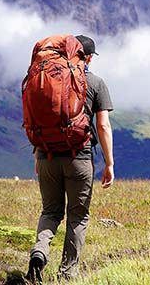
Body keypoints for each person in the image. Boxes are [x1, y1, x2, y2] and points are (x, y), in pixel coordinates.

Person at [26, 34, 114, 283]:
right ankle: (67, 274)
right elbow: (104, 125)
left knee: (51, 211)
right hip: (79, 156)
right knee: (78, 215)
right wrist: (109, 163)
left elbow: (40, 119)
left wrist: (39, 154)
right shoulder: (95, 82)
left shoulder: (45, 78)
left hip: (46, 155)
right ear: (87, 57)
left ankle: (39, 252)